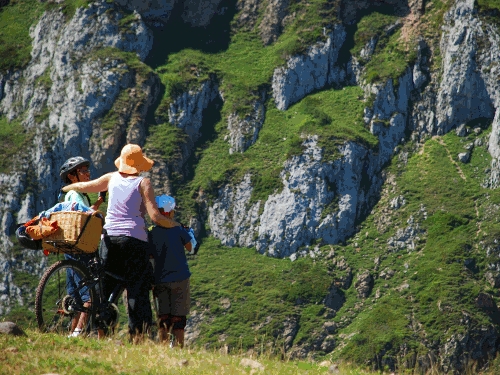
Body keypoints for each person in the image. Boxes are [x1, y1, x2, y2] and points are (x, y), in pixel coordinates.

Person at [61, 144, 180, 342]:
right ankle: (138, 337)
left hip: (110, 239)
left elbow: (84, 186)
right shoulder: (144, 183)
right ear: (139, 165)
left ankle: (101, 333)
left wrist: (68, 187)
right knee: (137, 290)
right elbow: (155, 217)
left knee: (105, 287)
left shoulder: (111, 178)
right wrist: (175, 225)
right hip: (135, 240)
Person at [59, 156, 104, 338]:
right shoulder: (74, 194)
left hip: (72, 248)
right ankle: (78, 332)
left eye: (87, 169)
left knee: (77, 297)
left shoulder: (77, 194)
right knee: (88, 296)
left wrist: (99, 202)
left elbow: (83, 212)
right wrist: (98, 215)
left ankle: (72, 332)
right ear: (72, 176)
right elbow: (81, 213)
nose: (88, 173)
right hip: (81, 247)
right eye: (83, 171)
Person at [148, 195, 195, 348]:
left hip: (160, 279)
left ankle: (163, 347)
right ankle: (179, 348)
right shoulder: (178, 229)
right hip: (180, 277)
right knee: (179, 318)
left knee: (163, 317)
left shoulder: (151, 232)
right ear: (169, 212)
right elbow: (191, 248)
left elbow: (149, 255)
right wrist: (190, 233)